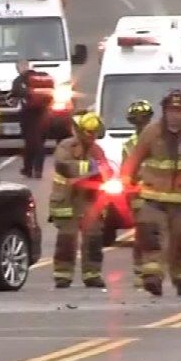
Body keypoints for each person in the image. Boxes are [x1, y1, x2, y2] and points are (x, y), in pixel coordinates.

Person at [123, 89, 181, 297]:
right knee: (151, 237)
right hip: (152, 198)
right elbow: (133, 161)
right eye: (171, 110)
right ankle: (152, 277)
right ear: (164, 112)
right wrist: (126, 183)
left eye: (179, 111)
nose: (175, 115)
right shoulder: (151, 133)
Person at [50, 111, 113, 288]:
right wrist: (92, 168)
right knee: (67, 238)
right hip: (67, 199)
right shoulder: (65, 147)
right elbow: (65, 166)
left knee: (93, 237)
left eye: (94, 133)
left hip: (90, 200)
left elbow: (106, 170)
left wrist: (102, 172)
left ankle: (92, 274)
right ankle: (63, 275)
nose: (92, 137)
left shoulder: (97, 150)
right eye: (88, 132)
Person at [122, 99, 154, 281]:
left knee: (156, 234)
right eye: (137, 119)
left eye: (144, 118)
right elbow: (126, 172)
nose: (141, 123)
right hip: (138, 196)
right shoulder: (129, 145)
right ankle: (139, 270)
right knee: (142, 233)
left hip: (158, 193)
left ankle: (152, 269)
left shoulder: (158, 140)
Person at [9, 58, 54, 178]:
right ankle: (38, 169)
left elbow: (15, 96)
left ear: (18, 68)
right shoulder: (41, 77)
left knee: (31, 143)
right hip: (44, 114)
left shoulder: (18, 80)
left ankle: (28, 169)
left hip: (28, 115)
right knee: (40, 142)